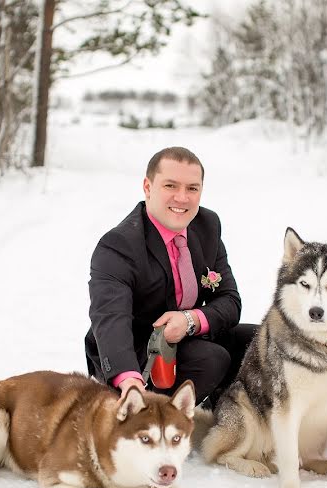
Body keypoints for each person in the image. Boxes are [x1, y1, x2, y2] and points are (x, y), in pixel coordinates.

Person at [85, 146, 257, 406]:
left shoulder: (207, 227)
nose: (182, 198)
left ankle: (220, 414)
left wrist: (190, 320)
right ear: (148, 186)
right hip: (137, 349)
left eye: (192, 188)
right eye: (170, 186)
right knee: (210, 359)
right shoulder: (119, 245)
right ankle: (159, 423)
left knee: (261, 342)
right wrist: (129, 381)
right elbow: (110, 318)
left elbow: (230, 301)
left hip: (187, 335)